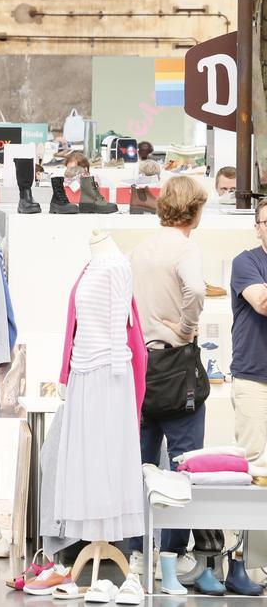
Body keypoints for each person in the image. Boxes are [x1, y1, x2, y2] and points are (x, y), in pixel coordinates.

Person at [127, 176, 208, 578]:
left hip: (142, 365)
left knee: (139, 463)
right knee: (183, 465)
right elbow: (196, 289)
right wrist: (187, 327)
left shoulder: (140, 249)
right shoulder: (185, 248)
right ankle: (172, 556)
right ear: (195, 210)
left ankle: (136, 550)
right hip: (177, 367)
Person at [232, 199, 267, 462]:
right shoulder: (245, 262)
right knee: (255, 462)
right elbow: (263, 303)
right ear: (257, 228)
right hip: (254, 380)